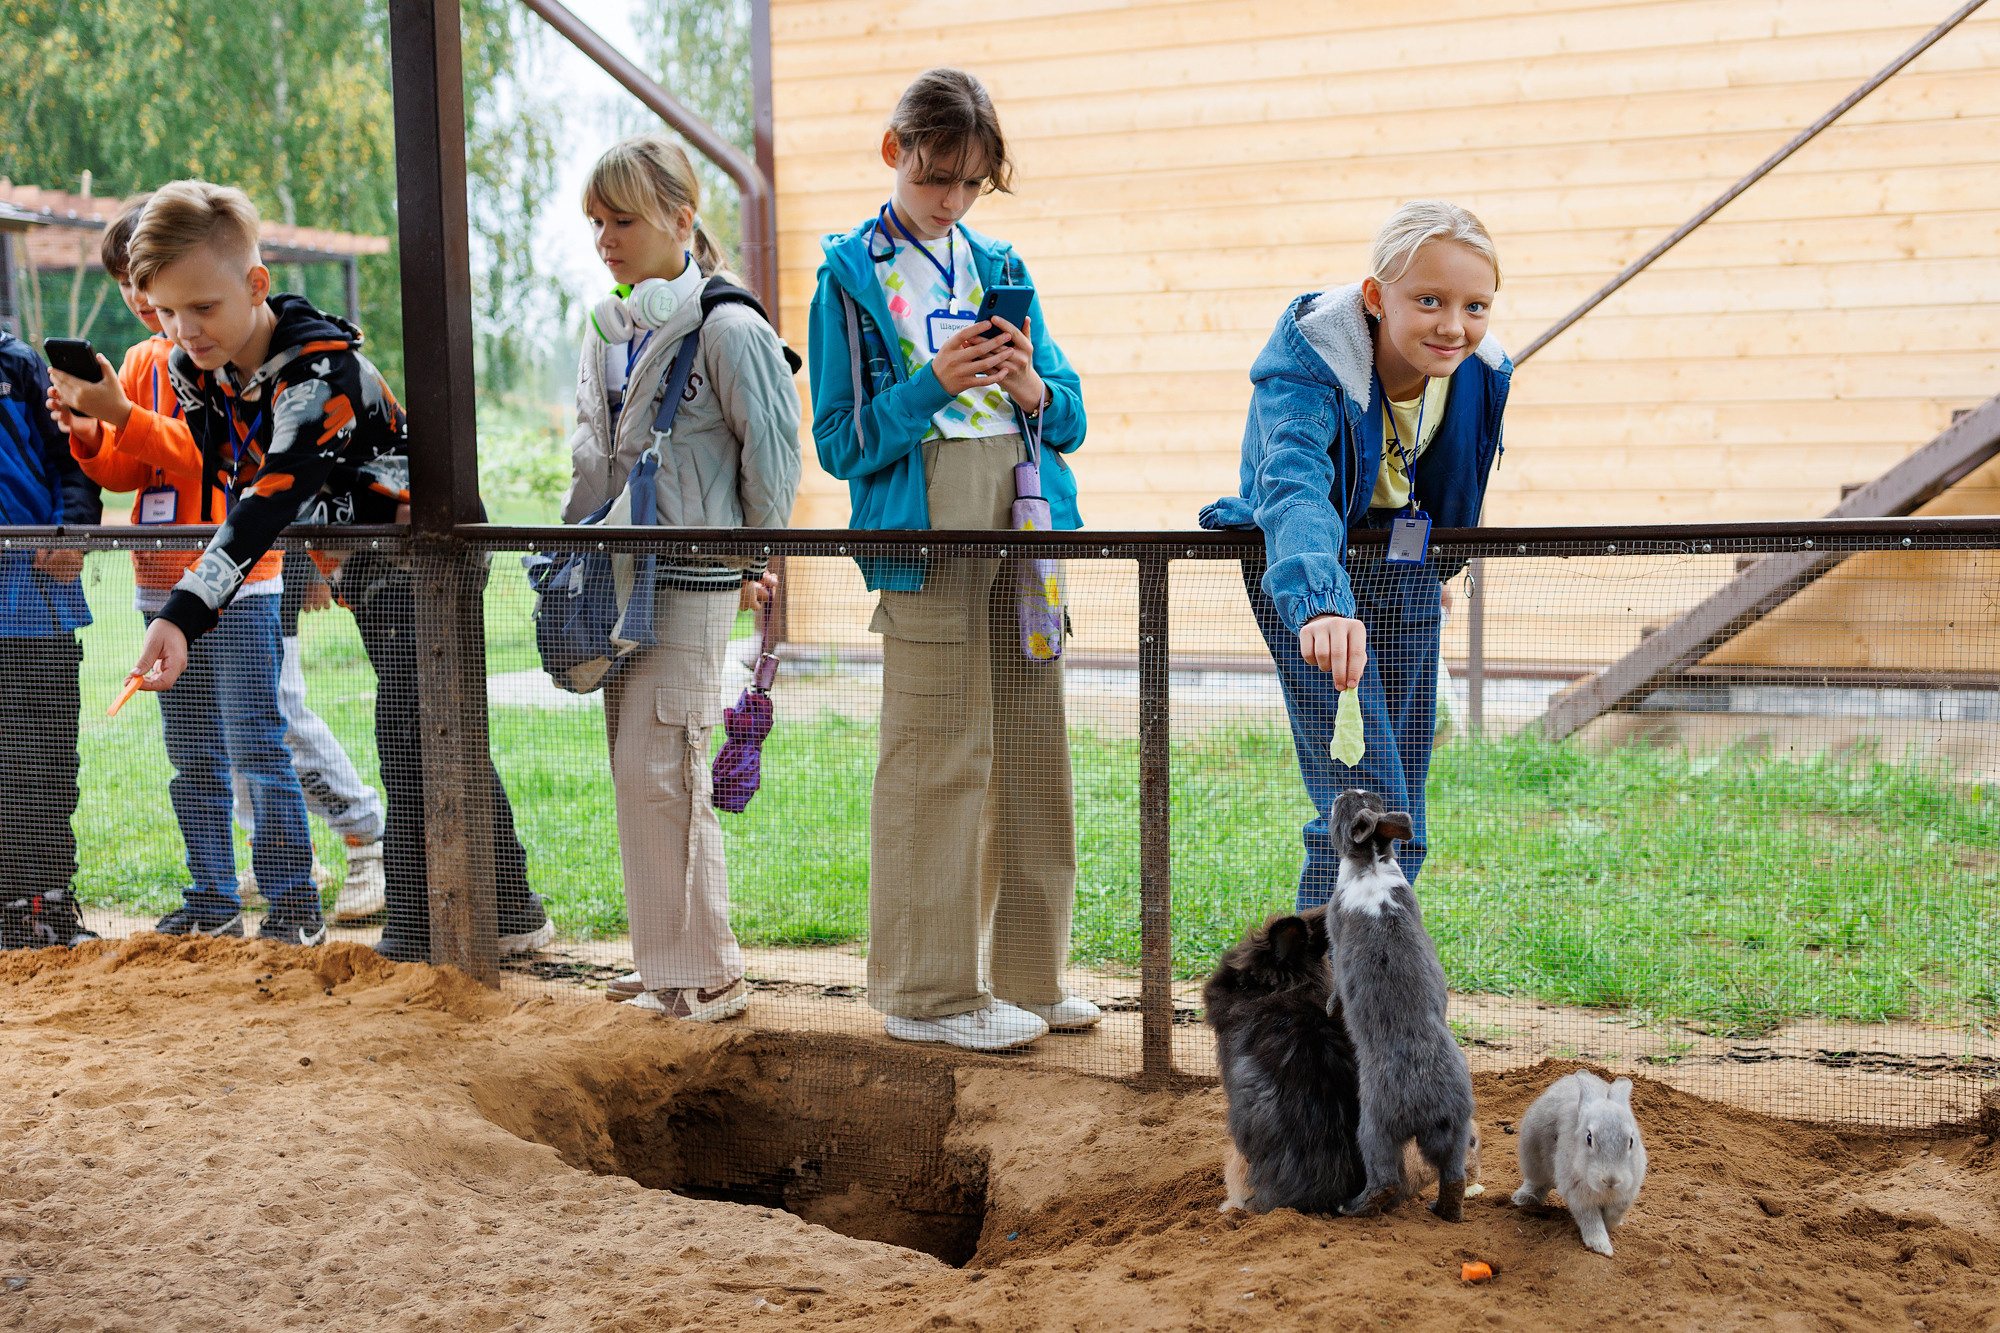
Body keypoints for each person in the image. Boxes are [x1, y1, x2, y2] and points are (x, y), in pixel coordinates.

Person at [119, 179, 552, 961]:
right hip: (357, 559)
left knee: (414, 728)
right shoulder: (200, 367)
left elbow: (267, 499)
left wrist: (181, 612)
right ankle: (513, 906)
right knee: (432, 722)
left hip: (425, 554)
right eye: (168, 311)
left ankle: (418, 929)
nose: (184, 330)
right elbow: (229, 475)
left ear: (257, 284)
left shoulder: (319, 377)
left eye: (203, 307)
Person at [808, 67, 1096, 1052]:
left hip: (1025, 515)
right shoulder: (847, 277)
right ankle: (927, 994)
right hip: (924, 522)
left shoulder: (1001, 264)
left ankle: (1027, 977)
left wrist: (1029, 386)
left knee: (1032, 747)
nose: (953, 201)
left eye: (972, 183)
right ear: (895, 152)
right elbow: (840, 443)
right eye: (937, 178)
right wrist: (930, 384)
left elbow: (1071, 417)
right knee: (937, 752)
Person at [1200, 200, 1511, 908]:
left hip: (1402, 567)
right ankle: (1321, 977)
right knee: (1368, 817)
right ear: (1376, 297)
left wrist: (1429, 569)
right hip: (1308, 567)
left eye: (1475, 306)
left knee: (1401, 824)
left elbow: (1441, 479)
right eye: (1429, 300)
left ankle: (1341, 972)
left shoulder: (1480, 370)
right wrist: (1320, 603)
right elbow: (1294, 487)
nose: (1453, 325)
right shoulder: (1312, 359)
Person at [563, 134, 802, 1021]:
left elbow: (774, 466)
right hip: (620, 580)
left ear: (680, 217)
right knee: (642, 772)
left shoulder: (732, 327)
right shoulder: (610, 332)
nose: (605, 240)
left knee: (664, 765)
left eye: (622, 220)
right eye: (596, 222)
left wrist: (748, 562)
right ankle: (668, 960)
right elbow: (591, 459)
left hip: (693, 582)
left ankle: (709, 973)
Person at [48, 195, 324, 944]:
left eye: (156, 284)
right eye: (132, 287)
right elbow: (128, 470)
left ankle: (293, 904)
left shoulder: (235, 353)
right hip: (159, 582)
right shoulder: (142, 362)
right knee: (191, 756)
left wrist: (123, 417)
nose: (145, 303)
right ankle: (212, 898)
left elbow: (216, 457)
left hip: (241, 581)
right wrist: (88, 431)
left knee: (256, 746)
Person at [0, 327, 100, 950]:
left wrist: (72, 533)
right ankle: (10, 908)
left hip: (37, 606)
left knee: (49, 766)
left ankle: (51, 903)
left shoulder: (17, 364)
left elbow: (73, 460)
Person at [231, 548, 388, 922]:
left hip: (262, 583)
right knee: (230, 727)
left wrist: (312, 569)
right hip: (195, 589)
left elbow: (288, 509)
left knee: (281, 715)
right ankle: (279, 853)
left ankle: (367, 845)